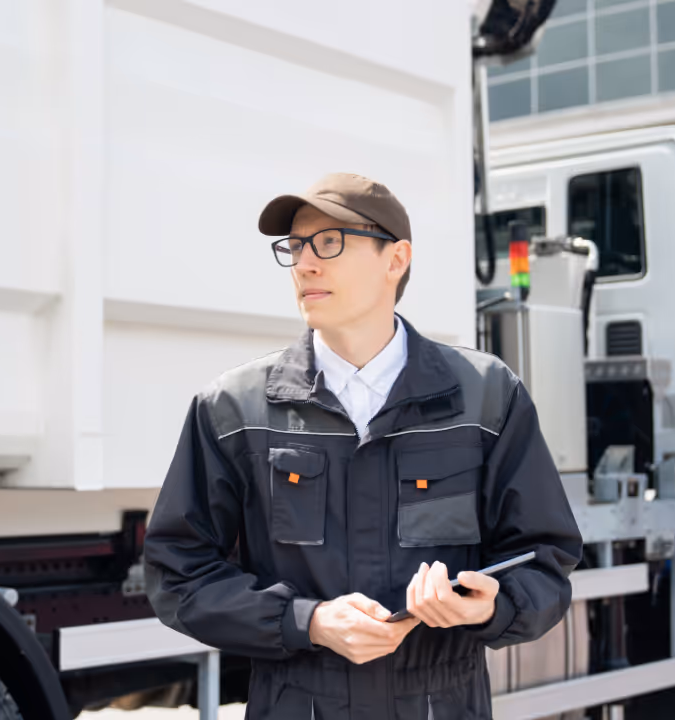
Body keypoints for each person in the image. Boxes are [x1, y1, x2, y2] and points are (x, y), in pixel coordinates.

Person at [144, 172, 582, 719]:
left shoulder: (485, 398)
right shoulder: (235, 410)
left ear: (395, 260)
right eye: (296, 246)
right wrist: (309, 622)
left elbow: (546, 560)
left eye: (329, 242)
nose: (305, 263)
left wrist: (490, 605)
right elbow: (176, 573)